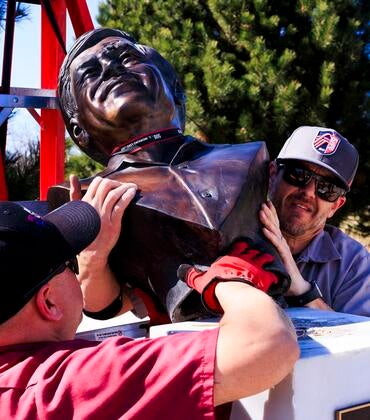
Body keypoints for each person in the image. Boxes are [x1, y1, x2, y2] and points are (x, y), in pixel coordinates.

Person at [51, 27, 290, 323]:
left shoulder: (246, 158)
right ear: (79, 131)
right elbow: (103, 306)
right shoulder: (89, 197)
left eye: (126, 58)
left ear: (173, 87)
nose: (111, 68)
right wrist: (92, 256)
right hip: (189, 350)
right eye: (90, 74)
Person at [0, 194, 298, 418]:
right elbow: (267, 344)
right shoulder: (63, 385)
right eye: (71, 263)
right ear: (49, 302)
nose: (77, 268)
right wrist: (229, 280)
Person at [259, 126, 370, 316]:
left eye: (327, 188)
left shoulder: (354, 265)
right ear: (272, 174)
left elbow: (362, 340)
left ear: (336, 206)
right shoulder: (229, 235)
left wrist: (302, 291)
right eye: (299, 174)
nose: (308, 192)